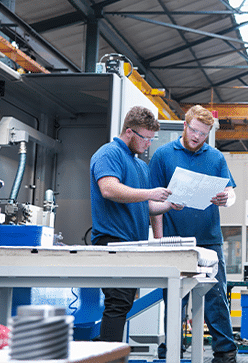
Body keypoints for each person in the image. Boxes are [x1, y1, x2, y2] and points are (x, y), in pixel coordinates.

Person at [149, 105, 237, 363]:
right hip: (174, 241)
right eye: (195, 130)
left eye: (204, 133)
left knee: (215, 296)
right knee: (174, 298)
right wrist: (159, 240)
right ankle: (172, 351)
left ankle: (225, 352)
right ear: (185, 126)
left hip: (210, 239)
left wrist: (226, 199)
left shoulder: (216, 158)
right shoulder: (163, 156)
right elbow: (153, 205)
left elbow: (231, 193)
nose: (198, 137)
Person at [90, 105, 174, 342]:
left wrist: (168, 205)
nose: (149, 144)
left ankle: (109, 352)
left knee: (123, 304)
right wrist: (149, 193)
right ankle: (109, 356)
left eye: (151, 138)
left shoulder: (139, 165)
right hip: (113, 242)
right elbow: (108, 188)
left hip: (133, 246)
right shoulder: (109, 154)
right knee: (117, 303)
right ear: (129, 132)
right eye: (145, 138)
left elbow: (143, 205)